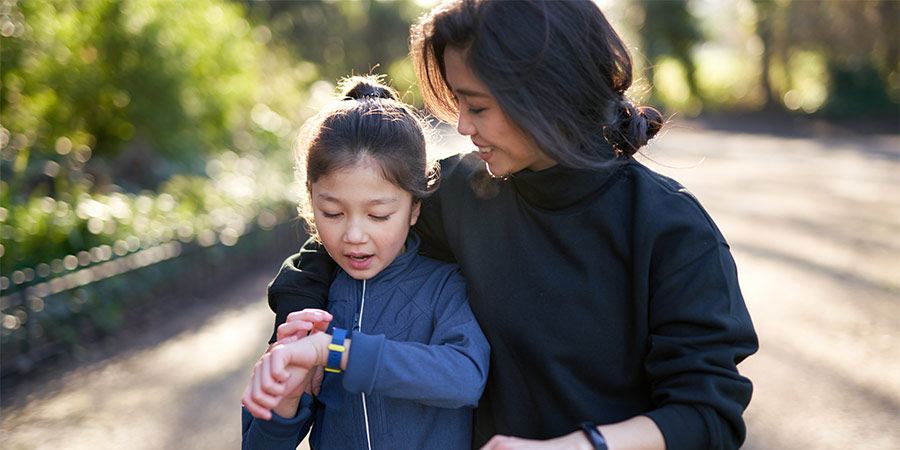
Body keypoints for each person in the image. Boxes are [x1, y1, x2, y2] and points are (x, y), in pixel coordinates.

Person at [265, 1, 758, 449]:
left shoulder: (669, 228)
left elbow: (706, 414)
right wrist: (301, 332)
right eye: (457, 102)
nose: (461, 125)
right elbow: (330, 248)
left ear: (548, 94)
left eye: (477, 106)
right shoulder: (459, 191)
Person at [240, 75, 491, 450]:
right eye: (332, 212)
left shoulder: (443, 284)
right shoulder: (312, 305)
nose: (354, 235)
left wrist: (338, 351)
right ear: (311, 205)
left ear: (414, 208)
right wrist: (288, 400)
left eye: (378, 215)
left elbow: (466, 377)